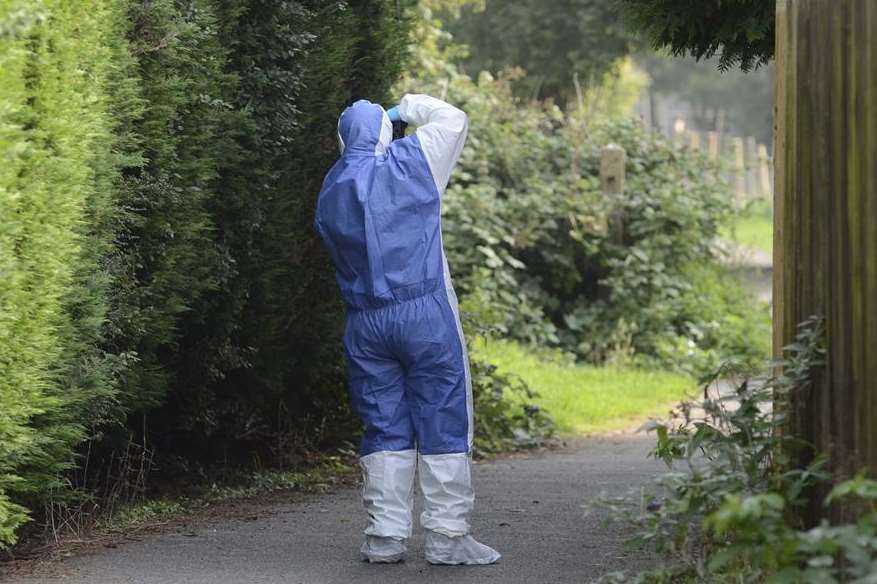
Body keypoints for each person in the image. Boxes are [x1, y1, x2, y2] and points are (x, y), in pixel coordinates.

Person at [313, 94, 500, 566]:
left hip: (364, 322)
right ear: (384, 134)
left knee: (384, 423)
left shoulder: (332, 189)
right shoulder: (409, 163)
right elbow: (453, 119)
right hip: (423, 313)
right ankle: (446, 537)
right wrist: (401, 110)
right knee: (443, 416)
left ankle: (384, 537)